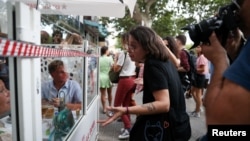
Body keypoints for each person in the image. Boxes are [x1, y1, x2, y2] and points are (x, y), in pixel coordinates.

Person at [98, 26, 191, 141]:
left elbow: (164, 104)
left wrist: (126, 110)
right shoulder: (163, 60)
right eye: (128, 45)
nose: (129, 49)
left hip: (167, 130)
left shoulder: (152, 64)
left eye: (134, 46)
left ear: (147, 47)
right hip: (179, 127)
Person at [197, 0, 249, 140]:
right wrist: (232, 51)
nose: (235, 8)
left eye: (239, 2)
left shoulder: (219, 59)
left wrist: (220, 59)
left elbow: (220, 129)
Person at [111, 32, 136, 140]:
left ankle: (128, 128)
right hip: (133, 79)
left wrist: (115, 59)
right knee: (126, 104)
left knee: (117, 105)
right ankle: (128, 126)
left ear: (123, 40)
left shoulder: (123, 53)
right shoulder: (134, 51)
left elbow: (116, 69)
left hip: (124, 80)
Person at [189, 46, 209, 118]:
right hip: (197, 76)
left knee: (198, 94)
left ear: (202, 48)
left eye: (198, 47)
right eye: (196, 47)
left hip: (200, 77)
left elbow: (202, 69)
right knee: (193, 91)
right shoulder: (199, 56)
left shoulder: (202, 57)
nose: (196, 48)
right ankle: (198, 107)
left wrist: (194, 69)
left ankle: (197, 111)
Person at [99, 46, 113, 114]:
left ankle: (104, 108)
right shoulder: (110, 58)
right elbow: (112, 67)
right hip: (109, 77)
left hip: (101, 77)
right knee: (109, 93)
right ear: (106, 51)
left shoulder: (99, 59)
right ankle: (110, 106)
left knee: (103, 94)